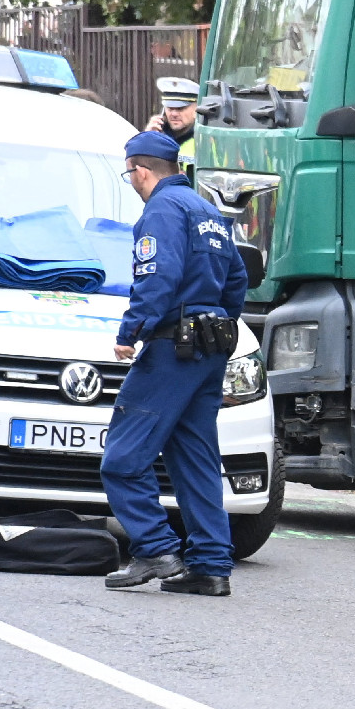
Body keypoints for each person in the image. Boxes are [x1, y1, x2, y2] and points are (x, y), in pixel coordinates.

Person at [102, 131, 248, 597]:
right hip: (208, 348)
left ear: (140, 170)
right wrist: (217, 323)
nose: (132, 182)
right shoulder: (209, 212)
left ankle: (155, 548)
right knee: (195, 458)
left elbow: (157, 276)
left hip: (171, 347)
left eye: (130, 175)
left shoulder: (161, 211)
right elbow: (238, 278)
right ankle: (209, 566)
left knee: (122, 459)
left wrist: (131, 333)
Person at [145, 77, 198, 164]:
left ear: (196, 110)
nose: (174, 114)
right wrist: (146, 140)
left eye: (180, 108)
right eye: (170, 108)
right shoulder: (156, 136)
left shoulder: (205, 140)